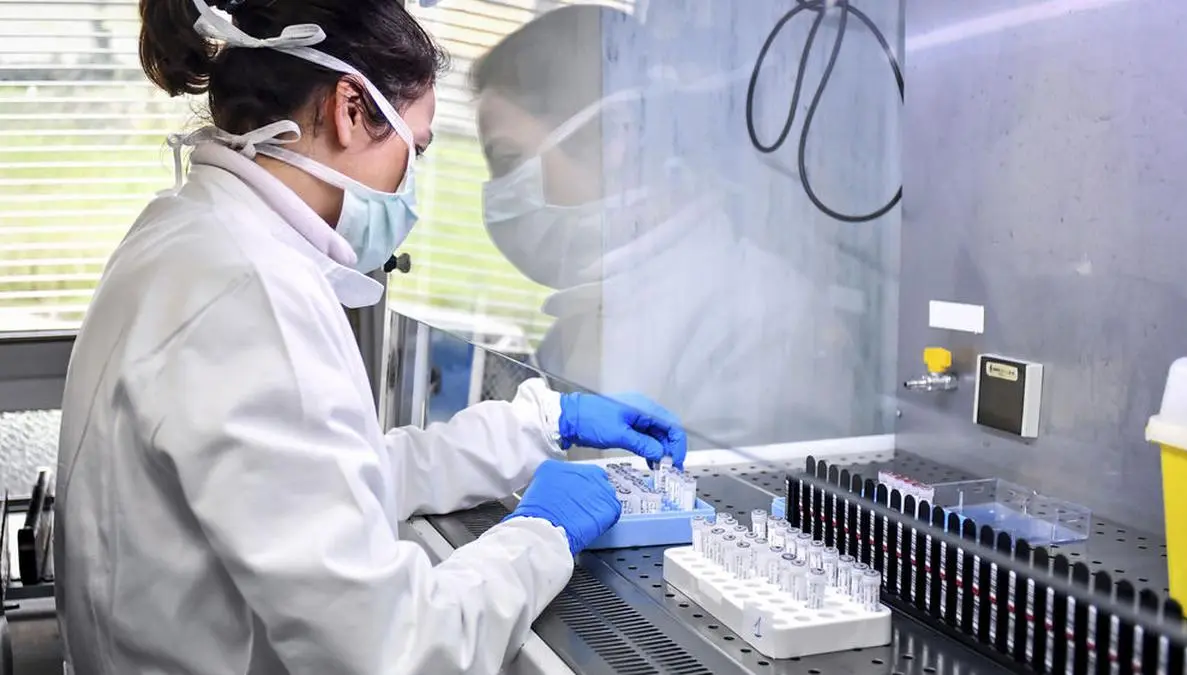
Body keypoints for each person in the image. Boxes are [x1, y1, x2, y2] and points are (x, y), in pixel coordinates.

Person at [54, 2, 687, 674]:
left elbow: (320, 481)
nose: (410, 187)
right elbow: (398, 651)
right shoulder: (252, 293)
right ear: (350, 108)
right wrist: (542, 534)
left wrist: (537, 424)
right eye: (414, 149)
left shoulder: (189, 231)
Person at [472, 5, 860, 449]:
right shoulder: (588, 308)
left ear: (616, 134)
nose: (496, 196)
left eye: (507, 161)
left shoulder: (766, 319)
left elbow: (724, 506)